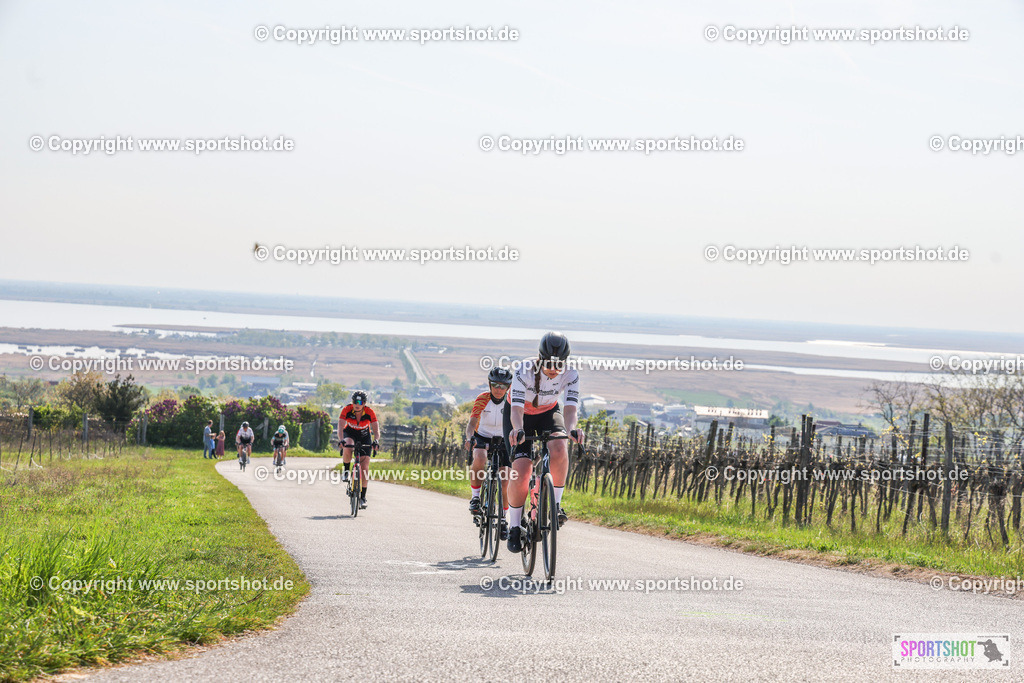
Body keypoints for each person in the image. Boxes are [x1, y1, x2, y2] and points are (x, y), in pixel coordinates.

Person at [505, 332, 585, 553]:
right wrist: (518, 429)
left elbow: (569, 408)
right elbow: (517, 409)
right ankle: (513, 525)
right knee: (521, 470)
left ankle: (556, 505)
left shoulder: (571, 374)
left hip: (548, 412)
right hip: (520, 415)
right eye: (549, 363)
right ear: (540, 358)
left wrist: (571, 430)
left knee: (560, 447)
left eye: (559, 364)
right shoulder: (525, 370)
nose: (554, 368)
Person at [465, 367, 513, 539]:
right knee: (479, 456)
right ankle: (476, 497)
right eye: (495, 385)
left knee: (506, 480)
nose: (499, 389)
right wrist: (470, 438)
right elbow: (472, 423)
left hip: (504, 439)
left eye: (503, 386)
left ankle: (503, 519)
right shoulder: (483, 398)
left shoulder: (512, 399)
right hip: (483, 436)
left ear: (509, 387)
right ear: (490, 384)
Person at [339, 391, 379, 508]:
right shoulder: (347, 409)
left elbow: (376, 430)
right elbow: (340, 427)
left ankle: (362, 497)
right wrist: (341, 440)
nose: (357, 404)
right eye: (355, 401)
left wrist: (376, 441)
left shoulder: (370, 412)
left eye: (360, 402)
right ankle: (346, 471)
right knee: (348, 444)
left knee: (365, 468)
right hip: (350, 432)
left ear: (364, 403)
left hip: (364, 435)